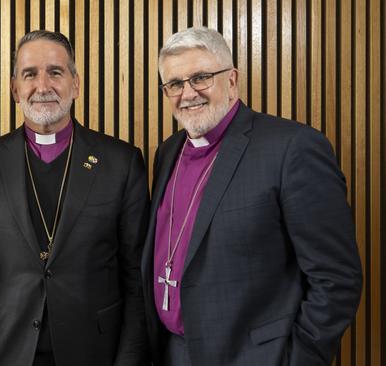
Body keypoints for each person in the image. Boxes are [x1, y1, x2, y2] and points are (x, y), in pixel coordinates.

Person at [141, 26, 362, 366]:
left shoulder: (291, 148)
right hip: (172, 353)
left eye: (201, 77)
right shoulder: (168, 152)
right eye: (174, 84)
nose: (188, 93)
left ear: (231, 80)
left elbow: (336, 279)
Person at [0, 30, 149, 366]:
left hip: (95, 352)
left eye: (55, 72)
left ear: (76, 84)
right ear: (15, 88)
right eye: (30, 74)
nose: (43, 86)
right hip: (6, 351)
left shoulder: (122, 163)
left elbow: (136, 279)